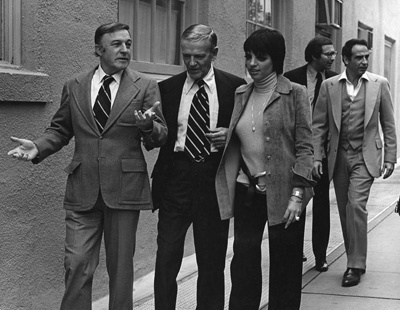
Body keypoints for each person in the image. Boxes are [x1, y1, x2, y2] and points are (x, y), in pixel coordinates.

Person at [7, 22, 167, 310]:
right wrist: (38, 146)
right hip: (83, 187)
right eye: (117, 44)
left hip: (125, 188)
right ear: (98, 49)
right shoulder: (75, 85)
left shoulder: (145, 86)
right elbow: (60, 130)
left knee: (121, 270)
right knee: (76, 262)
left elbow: (160, 135)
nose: (125, 49)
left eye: (128, 44)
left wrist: (148, 126)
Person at [215, 28, 316, 310]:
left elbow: (306, 148)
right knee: (244, 259)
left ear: (276, 59)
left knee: (285, 266)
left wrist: (298, 195)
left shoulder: (295, 94)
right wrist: (226, 136)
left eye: (261, 57)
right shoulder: (240, 93)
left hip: (286, 195)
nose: (252, 63)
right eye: (248, 56)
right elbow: (245, 134)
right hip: (247, 191)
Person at [151, 24, 246, 310]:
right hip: (175, 179)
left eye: (200, 56)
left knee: (211, 262)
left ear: (214, 53)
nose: (192, 63)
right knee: (166, 259)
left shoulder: (236, 88)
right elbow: (159, 135)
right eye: (186, 55)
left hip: (214, 179)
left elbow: (251, 133)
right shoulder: (167, 89)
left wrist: (230, 136)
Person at [313, 38, 397, 287]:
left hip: (365, 155)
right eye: (358, 57)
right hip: (338, 157)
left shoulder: (379, 84)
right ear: (346, 60)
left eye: (366, 57)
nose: (364, 62)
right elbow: (318, 126)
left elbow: (389, 124)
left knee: (356, 206)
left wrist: (390, 156)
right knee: (344, 209)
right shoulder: (329, 86)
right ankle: (354, 258)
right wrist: (317, 156)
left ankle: (355, 265)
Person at [284, 36, 338, 271]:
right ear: (314, 56)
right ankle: (295, 252)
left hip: (323, 153)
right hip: (296, 151)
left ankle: (320, 255)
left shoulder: (335, 80)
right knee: (297, 201)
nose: (333, 58)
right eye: (328, 54)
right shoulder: (292, 78)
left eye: (334, 53)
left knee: (322, 205)